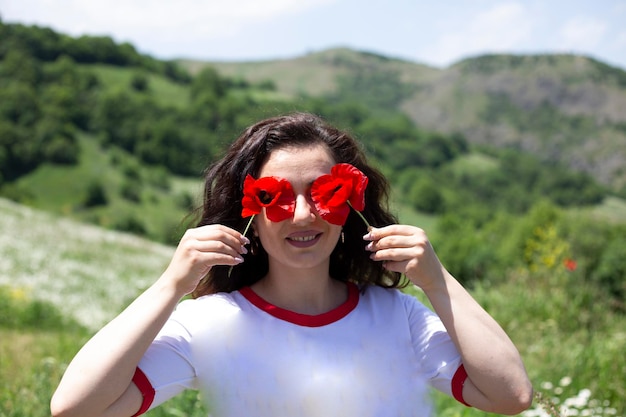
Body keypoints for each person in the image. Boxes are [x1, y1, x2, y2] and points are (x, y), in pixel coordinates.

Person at [51, 112, 533, 417]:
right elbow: (76, 407)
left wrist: (436, 278)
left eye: (324, 194)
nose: (304, 215)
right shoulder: (210, 324)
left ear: (350, 206)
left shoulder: (398, 317)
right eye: (277, 198)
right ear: (251, 216)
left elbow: (510, 396)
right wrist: (171, 286)